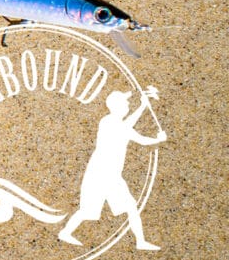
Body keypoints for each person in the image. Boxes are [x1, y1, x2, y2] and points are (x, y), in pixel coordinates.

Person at [57, 89, 166, 250]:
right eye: (126, 102)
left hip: (105, 174)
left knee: (126, 207)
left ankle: (140, 241)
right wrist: (158, 139)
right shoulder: (113, 124)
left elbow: (128, 124)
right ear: (119, 106)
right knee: (93, 211)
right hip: (104, 175)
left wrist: (142, 106)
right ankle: (66, 233)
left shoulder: (109, 121)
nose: (128, 104)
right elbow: (140, 138)